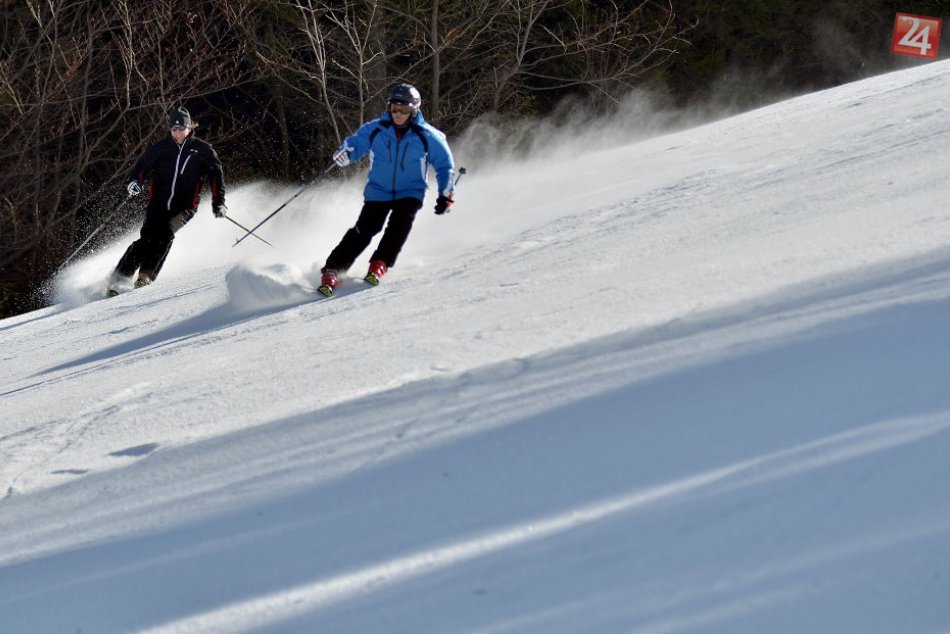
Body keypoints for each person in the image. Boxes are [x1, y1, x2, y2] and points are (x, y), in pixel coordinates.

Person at [319, 82, 455, 296]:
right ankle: (333, 270)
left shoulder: (427, 135)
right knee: (365, 229)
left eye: (404, 110)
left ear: (414, 109)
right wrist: (344, 154)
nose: (398, 114)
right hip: (379, 190)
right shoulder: (376, 129)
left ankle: (380, 263)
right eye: (394, 108)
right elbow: (355, 144)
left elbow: (445, 165)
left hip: (411, 191)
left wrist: (446, 195)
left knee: (399, 226)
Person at [107, 106, 227, 296]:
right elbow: (141, 167)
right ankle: (118, 278)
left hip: (185, 206)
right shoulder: (161, 149)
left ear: (189, 128)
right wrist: (135, 182)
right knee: (146, 239)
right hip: (158, 203)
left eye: (181, 128)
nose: (177, 133)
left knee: (165, 233)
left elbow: (216, 176)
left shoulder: (202, 150)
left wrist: (218, 201)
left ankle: (145, 276)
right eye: (174, 129)